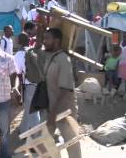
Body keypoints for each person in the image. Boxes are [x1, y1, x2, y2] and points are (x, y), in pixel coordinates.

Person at [43, 28, 81, 158]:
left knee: (72, 146)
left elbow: (65, 89)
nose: (44, 41)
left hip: (65, 112)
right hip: (51, 111)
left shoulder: (64, 59)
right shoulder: (50, 57)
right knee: (47, 145)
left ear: (57, 40)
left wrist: (53, 112)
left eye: (47, 38)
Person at [15, 32, 40, 133]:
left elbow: (18, 73)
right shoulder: (33, 50)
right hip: (38, 83)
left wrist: (20, 89)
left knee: (32, 112)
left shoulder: (19, 54)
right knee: (29, 108)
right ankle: (23, 130)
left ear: (19, 41)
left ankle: (36, 136)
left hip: (28, 85)